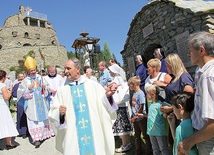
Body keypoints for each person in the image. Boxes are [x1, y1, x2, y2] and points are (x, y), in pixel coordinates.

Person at [48, 58, 118, 155]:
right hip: (73, 135)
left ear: (77, 69)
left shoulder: (94, 86)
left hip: (94, 132)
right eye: (65, 69)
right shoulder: (62, 91)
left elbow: (104, 106)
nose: (65, 71)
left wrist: (108, 97)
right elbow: (53, 112)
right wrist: (59, 113)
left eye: (68, 68)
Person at [177, 31, 214, 155]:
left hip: (209, 139)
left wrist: (189, 142)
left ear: (201, 51)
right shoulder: (203, 73)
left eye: (191, 51)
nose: (188, 54)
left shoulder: (208, 76)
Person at [17, 56, 54, 148]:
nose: (33, 72)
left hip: (42, 102)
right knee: (34, 121)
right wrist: (28, 89)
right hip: (32, 104)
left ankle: (45, 134)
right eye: (31, 70)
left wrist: (45, 87)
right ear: (28, 71)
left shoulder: (41, 77)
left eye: (34, 70)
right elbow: (20, 93)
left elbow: (47, 90)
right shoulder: (25, 81)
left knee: (43, 120)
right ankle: (36, 139)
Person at [138, 85, 169, 155]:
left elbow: (164, 116)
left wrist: (165, 113)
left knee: (163, 148)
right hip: (151, 131)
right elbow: (151, 115)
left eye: (147, 94)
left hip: (159, 131)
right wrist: (143, 115)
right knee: (155, 148)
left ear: (153, 94)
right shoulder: (151, 104)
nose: (146, 96)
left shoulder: (160, 105)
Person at [109, 64, 132, 153]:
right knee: (123, 125)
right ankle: (127, 143)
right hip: (120, 105)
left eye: (111, 70)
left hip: (120, 105)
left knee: (122, 126)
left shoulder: (117, 78)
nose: (110, 72)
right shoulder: (117, 78)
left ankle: (125, 144)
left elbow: (122, 87)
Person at [128, 76, 152, 155]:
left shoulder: (141, 94)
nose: (129, 86)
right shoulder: (134, 94)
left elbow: (141, 106)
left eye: (130, 84)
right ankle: (139, 151)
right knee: (137, 136)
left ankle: (149, 151)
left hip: (141, 118)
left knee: (145, 136)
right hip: (135, 119)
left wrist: (136, 116)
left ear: (134, 84)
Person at [0, 70, 19, 150]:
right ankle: (9, 143)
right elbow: (7, 97)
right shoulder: (2, 85)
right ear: (3, 77)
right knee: (6, 122)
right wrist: (10, 90)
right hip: (2, 105)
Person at [12, 73, 28, 138]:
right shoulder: (16, 85)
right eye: (19, 77)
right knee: (20, 116)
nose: (21, 78)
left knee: (26, 116)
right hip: (19, 102)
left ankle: (26, 132)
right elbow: (14, 93)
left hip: (26, 102)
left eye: (22, 77)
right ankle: (20, 131)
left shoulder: (27, 85)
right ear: (17, 78)